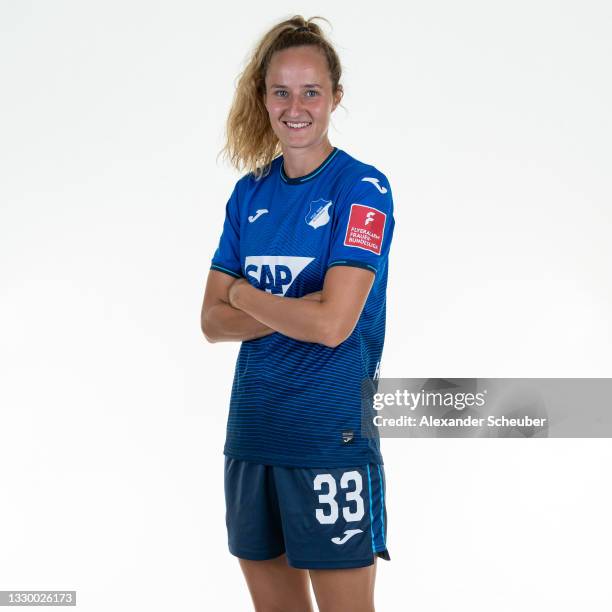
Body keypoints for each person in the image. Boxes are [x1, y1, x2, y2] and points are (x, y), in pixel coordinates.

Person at [201, 15, 395, 612]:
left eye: (311, 91)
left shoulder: (363, 189)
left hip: (327, 437)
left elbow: (334, 324)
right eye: (280, 91)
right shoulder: (249, 193)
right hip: (253, 435)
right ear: (262, 99)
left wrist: (243, 294)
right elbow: (210, 321)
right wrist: (295, 306)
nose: (295, 106)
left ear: (335, 96)